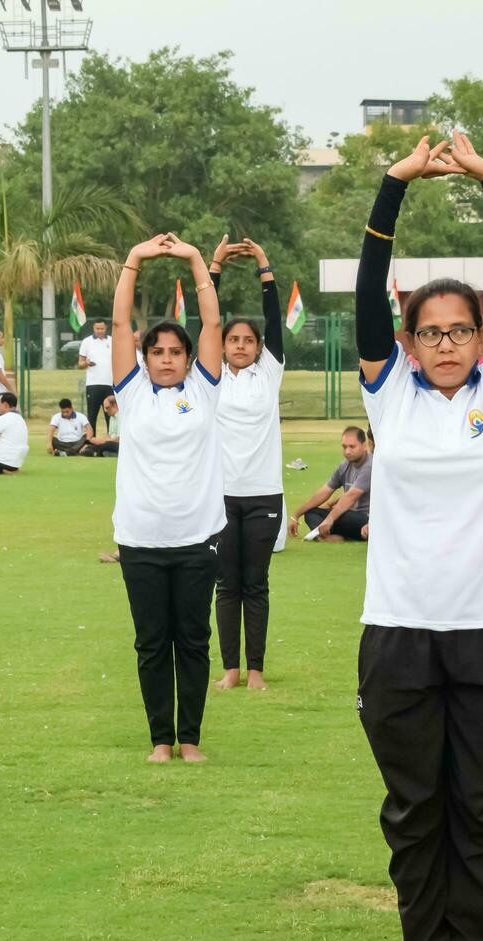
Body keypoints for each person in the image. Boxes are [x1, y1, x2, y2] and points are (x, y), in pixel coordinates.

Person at [355, 133, 483, 941]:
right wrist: (394, 186)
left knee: (480, 801)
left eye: (462, 329)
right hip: (398, 629)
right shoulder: (388, 394)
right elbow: (365, 295)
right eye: (432, 333)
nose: (449, 344)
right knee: (414, 802)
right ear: (410, 340)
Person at [110, 231, 224, 765]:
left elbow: (214, 324)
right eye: (158, 352)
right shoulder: (131, 393)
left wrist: (196, 260)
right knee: (152, 644)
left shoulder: (203, 389)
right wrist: (134, 260)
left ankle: (192, 738)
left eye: (176, 352)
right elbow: (117, 325)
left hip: (196, 539)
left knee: (194, 641)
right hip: (140, 542)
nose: (167, 360)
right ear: (145, 356)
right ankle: (160, 739)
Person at [210, 235, 285, 692]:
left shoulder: (269, 372)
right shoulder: (210, 375)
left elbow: (274, 317)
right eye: (232, 339)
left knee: (255, 585)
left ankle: (255, 670)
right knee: (226, 586)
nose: (240, 345)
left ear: (259, 347)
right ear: (220, 345)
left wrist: (263, 265)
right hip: (218, 496)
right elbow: (206, 317)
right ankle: (230, 669)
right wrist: (214, 265)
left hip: (263, 495)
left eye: (248, 340)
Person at [287, 427, 372, 542]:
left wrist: (329, 519)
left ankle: (333, 535)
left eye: (352, 447)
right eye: (344, 447)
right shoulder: (344, 466)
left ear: (364, 445)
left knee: (338, 516)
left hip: (366, 519)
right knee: (311, 513)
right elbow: (324, 491)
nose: (347, 451)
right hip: (347, 515)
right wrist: (296, 515)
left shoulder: (370, 466)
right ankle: (333, 536)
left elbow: (351, 496)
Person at [78, 320, 113, 434]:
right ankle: (91, 442)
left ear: (106, 328)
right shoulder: (87, 342)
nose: (100, 331)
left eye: (102, 328)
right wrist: (86, 363)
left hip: (110, 384)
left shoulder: (112, 341)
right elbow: (80, 364)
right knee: (92, 415)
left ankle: (112, 441)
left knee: (111, 415)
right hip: (93, 384)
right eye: (97, 329)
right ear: (93, 328)